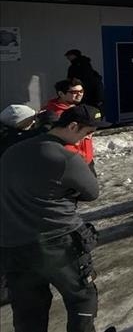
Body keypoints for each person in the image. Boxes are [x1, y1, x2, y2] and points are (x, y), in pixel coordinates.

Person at [1, 105, 109, 332]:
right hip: (59, 242)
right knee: (81, 298)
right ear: (72, 126)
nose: (88, 138)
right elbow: (92, 192)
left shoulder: (12, 152)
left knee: (28, 310)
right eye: (87, 132)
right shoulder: (66, 158)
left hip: (14, 245)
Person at [43, 79, 96, 170]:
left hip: (86, 159)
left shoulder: (77, 109)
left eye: (81, 91)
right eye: (74, 92)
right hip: (72, 162)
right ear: (61, 94)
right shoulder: (53, 115)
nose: (79, 94)